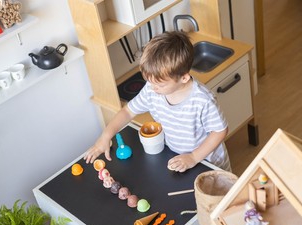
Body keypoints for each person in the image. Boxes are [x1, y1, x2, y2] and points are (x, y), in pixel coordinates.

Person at [84, 31, 231, 172]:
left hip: (208, 162)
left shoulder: (202, 100)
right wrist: (105, 136)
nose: (153, 88)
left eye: (160, 85)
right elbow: (128, 111)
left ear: (184, 78)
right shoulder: (152, 90)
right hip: (178, 157)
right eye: (149, 81)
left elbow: (219, 131)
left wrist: (194, 157)